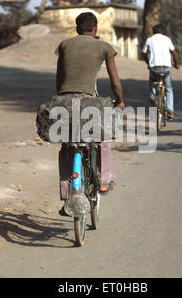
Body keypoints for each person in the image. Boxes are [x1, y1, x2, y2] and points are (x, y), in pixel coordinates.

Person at [55, 12, 125, 216]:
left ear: (76, 29)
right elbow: (115, 83)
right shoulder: (104, 47)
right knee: (102, 139)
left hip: (64, 101)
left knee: (66, 147)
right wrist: (119, 100)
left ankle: (68, 194)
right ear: (95, 29)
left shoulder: (64, 45)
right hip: (89, 101)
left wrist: (61, 99)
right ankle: (103, 182)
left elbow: (59, 79)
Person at [142, 24, 180, 120]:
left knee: (151, 82)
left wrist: (148, 63)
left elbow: (144, 53)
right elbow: (174, 52)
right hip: (165, 69)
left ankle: (153, 98)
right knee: (168, 89)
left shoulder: (149, 40)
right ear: (163, 32)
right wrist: (176, 64)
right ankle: (170, 110)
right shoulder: (167, 39)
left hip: (154, 68)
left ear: (153, 32)